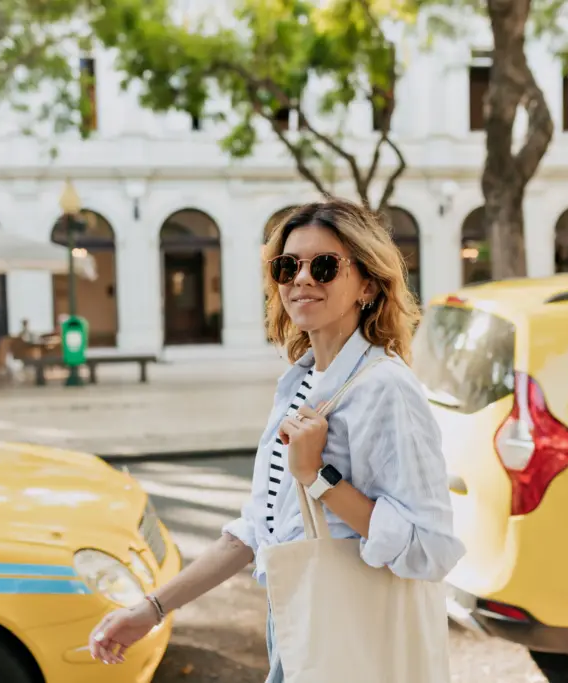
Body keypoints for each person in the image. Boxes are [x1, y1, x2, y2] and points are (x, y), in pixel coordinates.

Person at [89, 199, 466, 676]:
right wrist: (151, 609)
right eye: (288, 267)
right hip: (298, 627)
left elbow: (429, 547)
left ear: (367, 285)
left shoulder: (385, 389)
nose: (302, 279)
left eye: (325, 266)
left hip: (356, 640)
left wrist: (319, 478)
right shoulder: (301, 381)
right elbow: (260, 529)